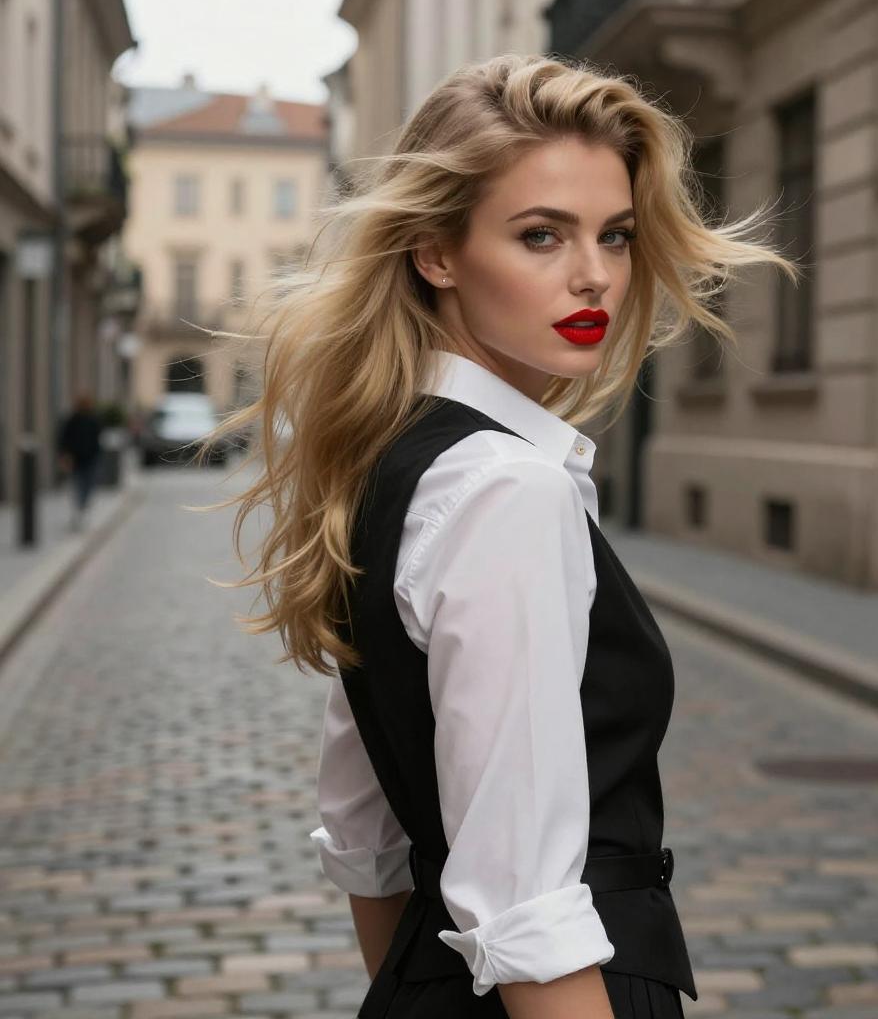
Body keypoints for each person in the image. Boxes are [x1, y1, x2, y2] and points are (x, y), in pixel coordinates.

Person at [198, 53, 796, 1018]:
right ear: (436, 253)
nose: (594, 275)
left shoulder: (389, 463)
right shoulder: (506, 488)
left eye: (615, 235)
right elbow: (523, 903)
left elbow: (366, 839)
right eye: (540, 235)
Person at [57, 392, 102, 533]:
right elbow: (64, 439)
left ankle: (82, 508)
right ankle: (80, 508)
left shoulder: (93, 420)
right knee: (79, 485)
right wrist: (65, 455)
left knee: (87, 485)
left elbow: (97, 439)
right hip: (77, 459)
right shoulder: (73, 420)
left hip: (89, 458)